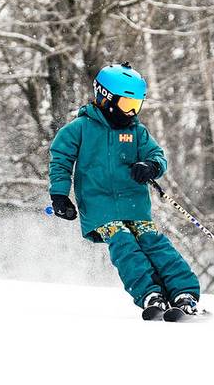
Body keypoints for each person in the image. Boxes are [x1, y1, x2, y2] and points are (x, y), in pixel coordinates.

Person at [48, 61, 201, 320]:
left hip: (134, 203)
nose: (131, 113)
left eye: (136, 107)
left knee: (154, 242)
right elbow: (60, 159)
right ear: (106, 98)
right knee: (123, 242)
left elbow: (157, 155)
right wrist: (60, 195)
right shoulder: (79, 129)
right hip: (99, 206)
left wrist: (150, 166)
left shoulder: (136, 132)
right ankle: (150, 293)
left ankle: (183, 292)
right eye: (126, 105)